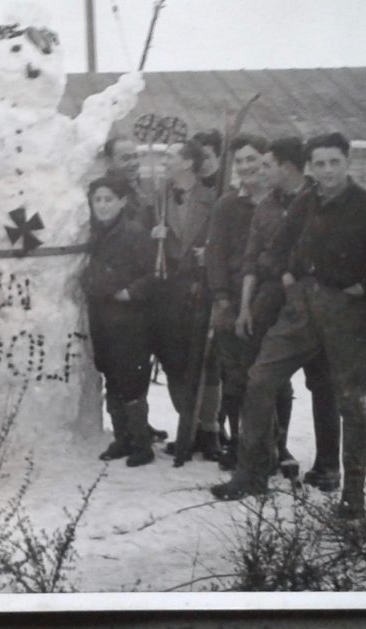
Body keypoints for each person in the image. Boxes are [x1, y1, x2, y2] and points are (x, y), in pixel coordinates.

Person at [212, 132, 366, 519]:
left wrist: (361, 285)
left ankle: (353, 495)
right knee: (260, 377)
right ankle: (251, 474)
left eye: (334, 163)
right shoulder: (306, 202)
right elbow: (279, 246)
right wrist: (290, 274)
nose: (327, 171)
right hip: (301, 308)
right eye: (320, 164)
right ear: (310, 167)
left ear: (346, 162)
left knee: (349, 399)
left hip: (346, 312)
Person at [237, 137, 340, 486]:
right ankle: (267, 456)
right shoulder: (265, 206)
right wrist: (245, 307)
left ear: (288, 167)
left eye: (267, 165)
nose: (260, 172)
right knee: (264, 378)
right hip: (270, 299)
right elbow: (252, 258)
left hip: (314, 302)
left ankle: (328, 465)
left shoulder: (320, 201)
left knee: (323, 383)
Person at [204, 134, 285, 472]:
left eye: (253, 159)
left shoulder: (280, 204)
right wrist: (222, 297)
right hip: (234, 300)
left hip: (273, 298)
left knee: (273, 377)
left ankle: (276, 446)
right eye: (239, 162)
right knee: (235, 376)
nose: (246, 167)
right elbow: (216, 254)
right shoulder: (226, 205)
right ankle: (239, 443)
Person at [140, 139, 220, 458]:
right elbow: (144, 246)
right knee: (174, 359)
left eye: (172, 156)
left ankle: (209, 430)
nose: (165, 161)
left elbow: (226, 242)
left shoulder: (214, 198)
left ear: (188, 163)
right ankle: (186, 424)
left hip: (201, 287)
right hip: (169, 290)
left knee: (206, 361)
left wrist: (210, 253)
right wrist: (153, 236)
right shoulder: (159, 199)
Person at [81, 176, 156, 467]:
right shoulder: (96, 232)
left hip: (129, 319)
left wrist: (131, 293)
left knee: (131, 378)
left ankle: (141, 442)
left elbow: (153, 275)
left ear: (122, 202)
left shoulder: (134, 233)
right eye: (97, 199)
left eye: (108, 199)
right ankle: (122, 437)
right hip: (102, 315)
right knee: (111, 374)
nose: (102, 205)